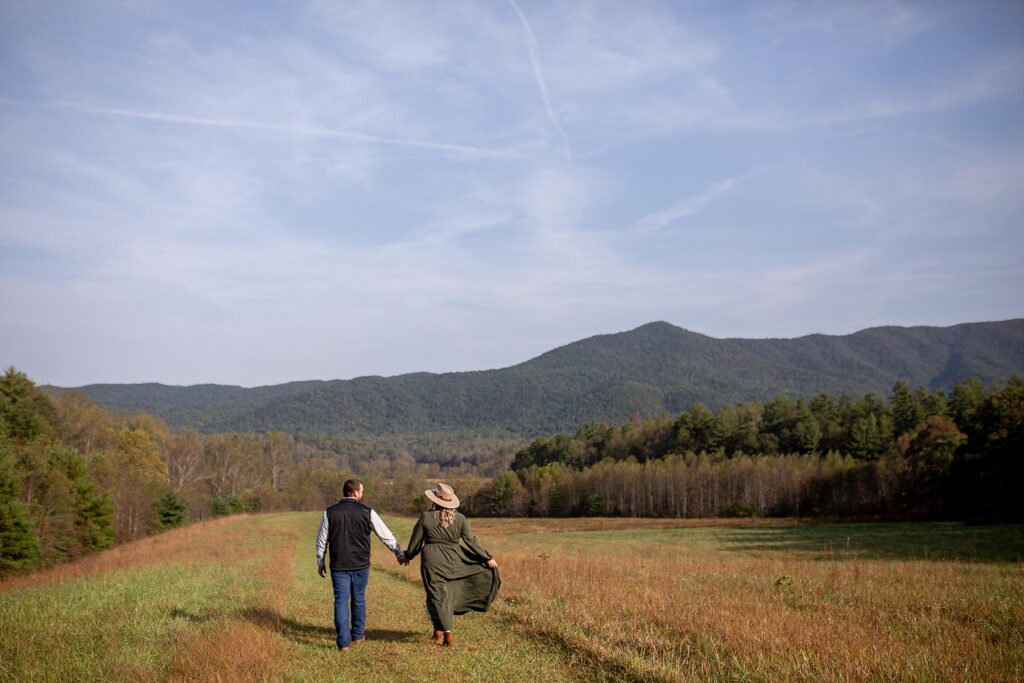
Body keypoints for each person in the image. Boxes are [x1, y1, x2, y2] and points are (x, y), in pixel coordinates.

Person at [403, 482, 500, 647]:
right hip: (454, 560)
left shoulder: (426, 517)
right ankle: (438, 630)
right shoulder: (460, 518)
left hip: (432, 560)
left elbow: (415, 543)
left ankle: (447, 632)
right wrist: (487, 558)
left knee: (435, 595)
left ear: (435, 500)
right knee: (444, 594)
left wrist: (408, 556)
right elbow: (471, 541)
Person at [316, 478, 406, 652]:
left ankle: (344, 644)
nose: (362, 494)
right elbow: (385, 534)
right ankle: (357, 636)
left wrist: (320, 560)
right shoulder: (367, 511)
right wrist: (398, 553)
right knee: (358, 598)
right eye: (362, 491)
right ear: (355, 492)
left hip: (338, 565)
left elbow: (322, 539)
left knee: (340, 601)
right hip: (361, 564)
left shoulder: (330, 512)